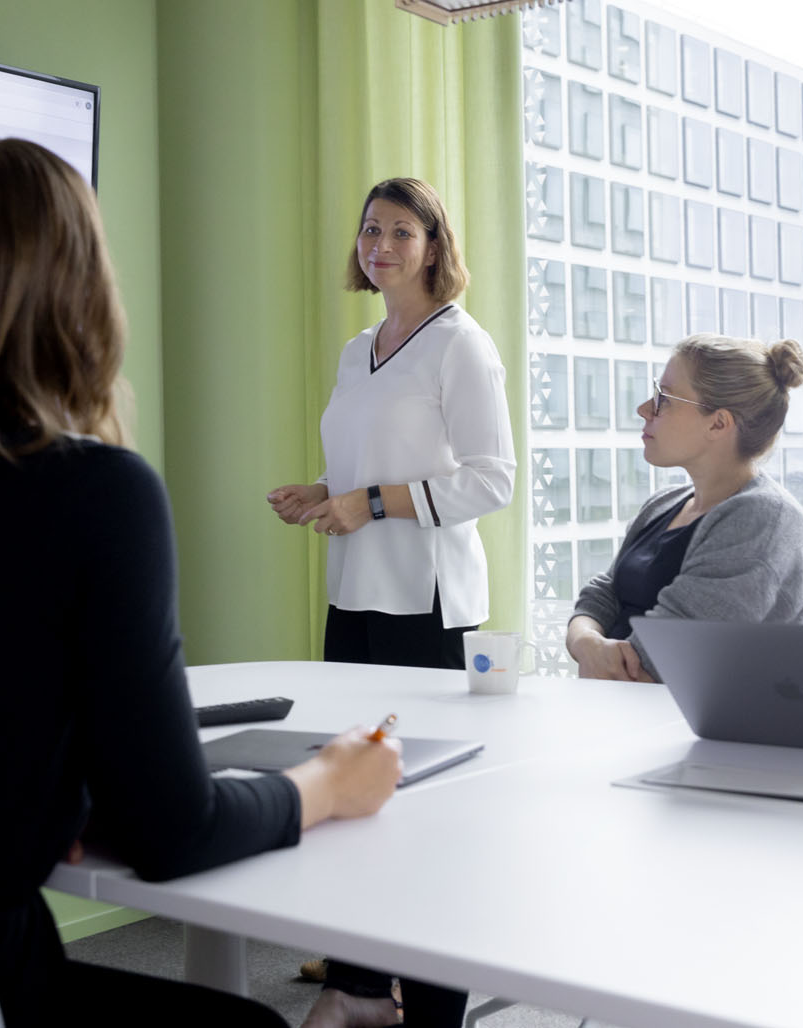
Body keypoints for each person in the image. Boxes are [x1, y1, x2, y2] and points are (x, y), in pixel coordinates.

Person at [0, 137, 402, 1028]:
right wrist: (328, 782)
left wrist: (64, 797)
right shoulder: (98, 494)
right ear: (82, 295)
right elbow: (177, 836)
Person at [266, 177, 513, 1028]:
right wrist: (323, 491)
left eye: (402, 231)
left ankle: (435, 1006)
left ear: (435, 246)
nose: (380, 246)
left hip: (426, 605)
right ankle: (360, 987)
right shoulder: (357, 348)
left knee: (425, 816)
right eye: (371, 229)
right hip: (355, 596)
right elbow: (369, 459)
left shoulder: (461, 345)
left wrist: (368, 503)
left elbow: (492, 480)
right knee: (355, 798)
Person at [567, 335, 803, 680]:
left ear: (718, 423)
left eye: (664, 398)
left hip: (697, 715)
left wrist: (596, 652)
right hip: (623, 705)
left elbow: (670, 653)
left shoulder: (764, 517)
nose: (644, 409)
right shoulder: (665, 503)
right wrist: (585, 641)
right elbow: (603, 592)